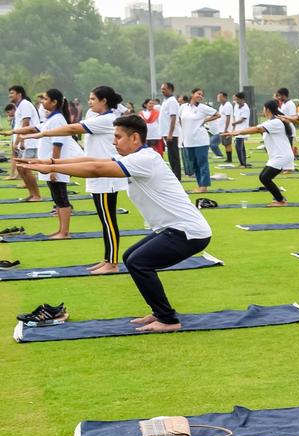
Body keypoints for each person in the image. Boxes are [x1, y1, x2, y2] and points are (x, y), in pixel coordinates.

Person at [18, 114, 211, 332]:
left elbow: (96, 170)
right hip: (175, 229)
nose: (113, 142)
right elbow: (93, 161)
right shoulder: (138, 158)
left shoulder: (144, 160)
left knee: (139, 262)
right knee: (131, 257)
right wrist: (50, 162)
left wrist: (53, 169)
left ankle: (168, 320)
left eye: (118, 137)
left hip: (188, 232)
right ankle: (160, 312)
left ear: (135, 138)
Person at [26, 85, 128, 274]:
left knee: (108, 221)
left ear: (104, 100)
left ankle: (112, 263)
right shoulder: (99, 117)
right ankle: (108, 259)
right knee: (105, 220)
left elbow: (74, 128)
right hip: (97, 173)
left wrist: (44, 133)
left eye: (92, 99)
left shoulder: (107, 119)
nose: (89, 102)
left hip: (106, 176)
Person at [4, 88, 83, 237]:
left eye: (45, 99)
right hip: (50, 165)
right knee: (57, 198)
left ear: (54, 102)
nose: (42, 101)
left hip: (55, 165)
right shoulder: (51, 119)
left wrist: (54, 169)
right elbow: (35, 128)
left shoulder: (58, 119)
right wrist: (14, 132)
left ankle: (64, 232)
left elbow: (57, 145)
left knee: (62, 198)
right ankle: (61, 230)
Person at [228, 100, 295, 205]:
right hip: (277, 156)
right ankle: (279, 198)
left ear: (267, 109)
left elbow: (257, 129)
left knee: (265, 177)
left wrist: (239, 132)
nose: (263, 110)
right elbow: (257, 128)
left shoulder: (276, 122)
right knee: (264, 177)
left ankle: (280, 200)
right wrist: (237, 132)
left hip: (282, 156)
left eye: (264, 108)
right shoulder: (270, 122)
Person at [8, 86, 42, 200]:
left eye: (12, 93)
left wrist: (19, 140)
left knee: (26, 169)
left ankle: (37, 195)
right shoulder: (19, 107)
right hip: (24, 143)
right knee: (20, 168)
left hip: (30, 142)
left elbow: (26, 124)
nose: (10, 95)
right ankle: (32, 193)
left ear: (19, 94)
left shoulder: (25, 105)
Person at [159, 82, 182, 178]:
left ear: (170, 89)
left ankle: (177, 177)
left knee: (174, 156)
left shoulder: (172, 101)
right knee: (171, 156)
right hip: (166, 132)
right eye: (161, 89)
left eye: (164, 89)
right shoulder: (166, 101)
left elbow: (173, 117)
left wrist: (170, 133)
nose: (162, 91)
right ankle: (174, 175)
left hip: (171, 134)